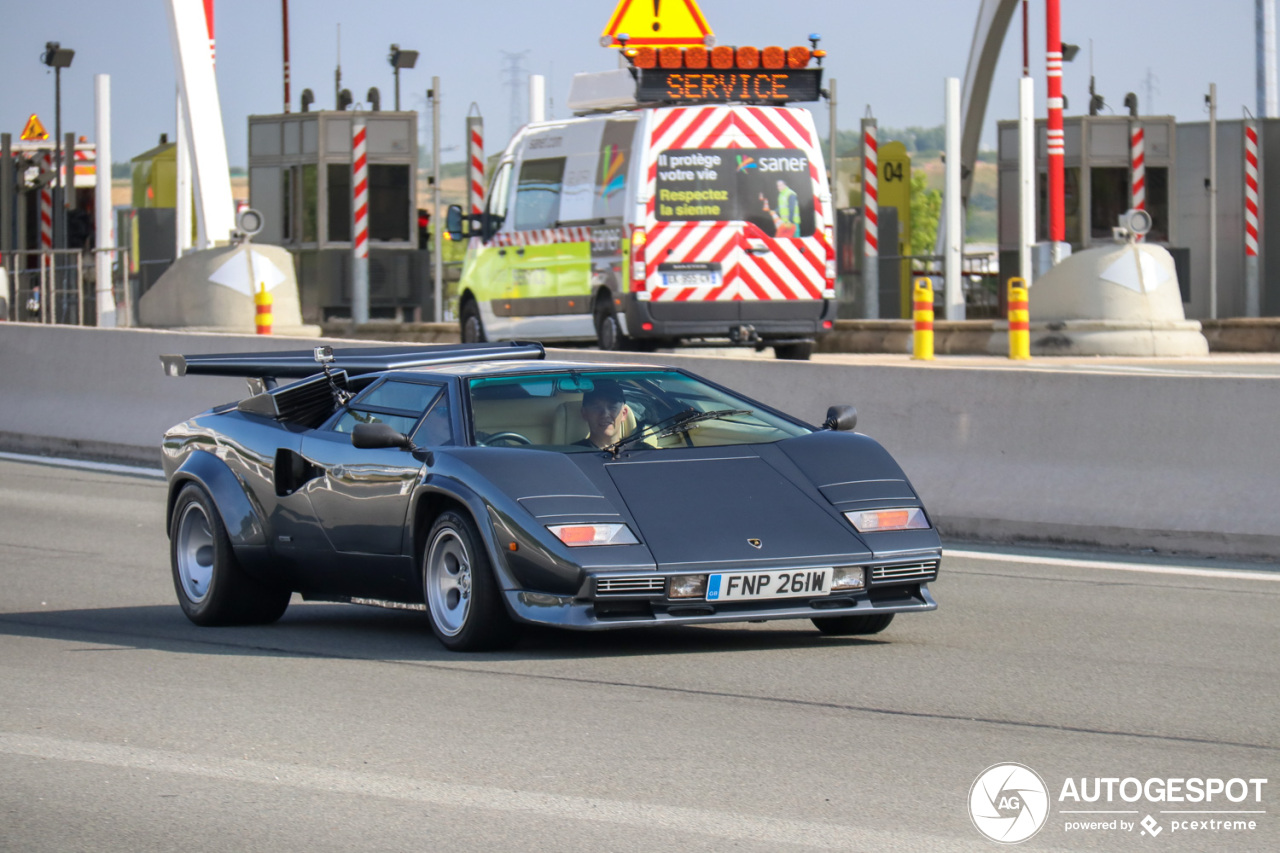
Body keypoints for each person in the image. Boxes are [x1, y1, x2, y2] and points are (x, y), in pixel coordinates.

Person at [574, 379, 631, 449]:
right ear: (584, 413)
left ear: (624, 413)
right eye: (596, 408)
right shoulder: (572, 455)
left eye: (612, 407)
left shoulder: (642, 452)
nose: (605, 414)